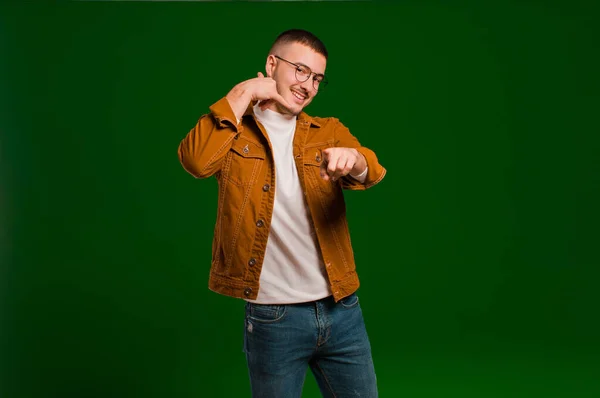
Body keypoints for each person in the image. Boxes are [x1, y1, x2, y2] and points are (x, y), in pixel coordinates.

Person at [177, 28, 386, 398]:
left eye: (317, 78)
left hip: (342, 311)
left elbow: (371, 170)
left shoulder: (328, 130)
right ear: (272, 64)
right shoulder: (235, 133)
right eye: (300, 71)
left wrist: (352, 159)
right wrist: (242, 94)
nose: (308, 85)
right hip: (274, 318)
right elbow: (195, 161)